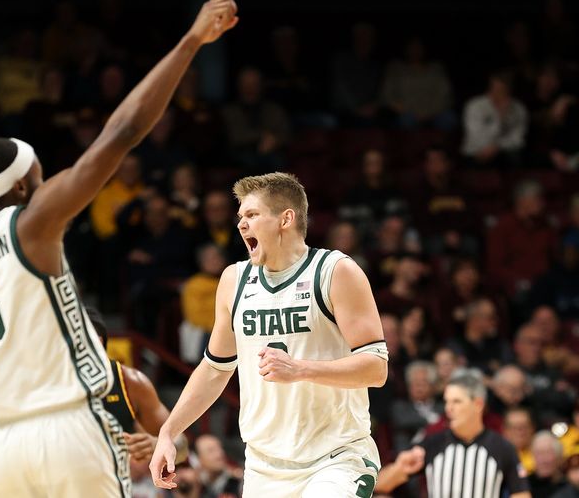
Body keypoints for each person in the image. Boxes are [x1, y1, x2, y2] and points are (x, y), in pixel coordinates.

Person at [0, 0, 238, 498]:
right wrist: (191, 41)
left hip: (4, 441)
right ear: (24, 183)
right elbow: (120, 134)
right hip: (70, 425)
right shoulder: (32, 218)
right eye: (42, 175)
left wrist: (14, 347)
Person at [150, 172, 389, 495]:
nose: (241, 225)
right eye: (240, 217)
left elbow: (376, 369)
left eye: (251, 215)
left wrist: (301, 369)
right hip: (264, 465)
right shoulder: (234, 280)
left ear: (285, 219)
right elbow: (215, 368)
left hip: (335, 458)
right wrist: (168, 431)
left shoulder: (335, 271)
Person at [375, 369, 530, 498]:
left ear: (478, 404)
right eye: (447, 401)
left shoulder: (501, 447)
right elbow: (380, 485)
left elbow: (521, 494)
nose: (448, 408)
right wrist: (399, 467)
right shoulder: (432, 444)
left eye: (457, 401)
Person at [87, 308, 188, 465]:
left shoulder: (130, 382)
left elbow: (181, 447)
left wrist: (156, 445)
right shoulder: (43, 382)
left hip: (111, 483)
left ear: (97, 342)